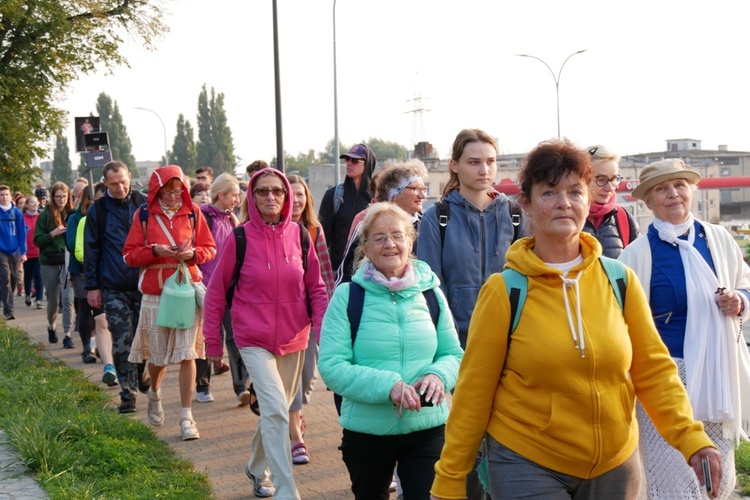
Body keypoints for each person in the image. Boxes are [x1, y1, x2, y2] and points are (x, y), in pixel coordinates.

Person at [430, 140, 721, 500]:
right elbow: (474, 393)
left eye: (575, 191)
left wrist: (691, 438)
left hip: (614, 464)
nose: (564, 203)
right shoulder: (505, 290)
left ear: (588, 199)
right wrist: (450, 478)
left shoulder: (619, 279)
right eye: (549, 193)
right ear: (527, 202)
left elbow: (654, 370)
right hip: (527, 460)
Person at [619, 158, 750, 499]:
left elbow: (745, 283)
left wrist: (739, 301)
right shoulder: (635, 256)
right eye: (662, 188)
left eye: (680, 185)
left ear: (692, 190)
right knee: (672, 474)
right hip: (665, 374)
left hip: (717, 368)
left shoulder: (718, 238)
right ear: (648, 201)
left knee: (717, 475)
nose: (673, 194)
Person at [318, 203, 463, 499]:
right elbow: (332, 366)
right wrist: (389, 387)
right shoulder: (348, 296)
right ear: (366, 248)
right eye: (379, 238)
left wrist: (439, 375)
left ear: (410, 242)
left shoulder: (430, 292)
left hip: (427, 427)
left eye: (397, 235)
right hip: (367, 433)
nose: (390, 244)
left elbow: (454, 354)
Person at [204, 168, 328, 499]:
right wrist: (213, 343)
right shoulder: (239, 238)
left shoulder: (300, 236)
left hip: (295, 339)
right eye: (262, 191)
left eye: (277, 191)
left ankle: (256, 469)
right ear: (252, 197)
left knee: (275, 409)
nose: (270, 197)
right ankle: (287, 490)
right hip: (252, 340)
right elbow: (216, 293)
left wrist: (323, 329)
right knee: (274, 408)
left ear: (287, 197)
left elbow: (315, 287)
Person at [123, 165, 216, 441]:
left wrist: (192, 254)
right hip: (156, 291)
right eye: (168, 191)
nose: (175, 195)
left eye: (179, 190)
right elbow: (128, 256)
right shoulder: (143, 215)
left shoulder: (194, 213)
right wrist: (154, 251)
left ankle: (187, 416)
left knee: (188, 353)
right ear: (157, 190)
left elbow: (210, 249)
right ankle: (154, 393)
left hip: (186, 288)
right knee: (159, 355)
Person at [85, 161, 149, 414]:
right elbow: (91, 249)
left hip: (145, 284)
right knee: (122, 339)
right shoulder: (98, 210)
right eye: (114, 184)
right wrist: (92, 286)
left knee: (144, 339)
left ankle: (142, 371)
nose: (121, 187)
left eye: (124, 181)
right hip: (113, 286)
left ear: (130, 177)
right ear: (105, 183)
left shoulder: (143, 203)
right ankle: (127, 393)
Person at [286, 173, 335, 464]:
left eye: (301, 194)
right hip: (281, 315)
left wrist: (327, 313)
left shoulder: (315, 230)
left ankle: (296, 409)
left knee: (307, 377)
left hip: (310, 313)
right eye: (291, 194)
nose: (296, 200)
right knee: (289, 375)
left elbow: (326, 274)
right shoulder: (270, 229)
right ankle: (296, 437)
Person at [335, 159, 428, 286]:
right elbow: (346, 273)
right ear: (394, 193)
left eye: (424, 189)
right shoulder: (368, 222)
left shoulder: (428, 224)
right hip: (372, 299)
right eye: (415, 189)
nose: (422, 195)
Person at [194, 173, 240, 404]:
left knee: (235, 336)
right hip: (205, 287)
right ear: (221, 195)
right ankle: (202, 385)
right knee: (206, 337)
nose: (236, 200)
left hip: (230, 288)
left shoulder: (232, 219)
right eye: (233, 195)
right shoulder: (203, 217)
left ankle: (241, 387)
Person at [74, 184, 117, 385]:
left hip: (121, 279)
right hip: (98, 279)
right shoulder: (86, 221)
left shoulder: (124, 216)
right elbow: (80, 251)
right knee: (101, 322)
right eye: (99, 200)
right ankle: (109, 367)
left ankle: (125, 364)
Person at [318, 143, 376, 275]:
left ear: (367, 164)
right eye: (347, 160)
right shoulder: (333, 196)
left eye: (355, 160)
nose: (349, 164)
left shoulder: (378, 198)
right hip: (338, 271)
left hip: (370, 271)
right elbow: (321, 239)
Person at [582, 145, 638, 258]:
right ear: (582, 179)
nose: (609, 188)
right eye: (601, 180)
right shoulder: (566, 218)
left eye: (614, 179)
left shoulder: (624, 218)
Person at [34, 182, 72, 345]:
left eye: (64, 196)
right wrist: (53, 233)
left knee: (68, 299)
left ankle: (68, 334)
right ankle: (51, 325)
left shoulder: (73, 213)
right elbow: (37, 240)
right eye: (58, 196)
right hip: (49, 260)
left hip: (68, 260)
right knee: (53, 299)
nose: (61, 200)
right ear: (52, 197)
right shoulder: (46, 215)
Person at [0, 185, 27, 320]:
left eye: (6, 194)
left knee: (15, 277)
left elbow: (22, 232)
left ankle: (7, 296)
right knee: (5, 277)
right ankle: (8, 309)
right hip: (1, 251)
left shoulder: (16, 212)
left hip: (15, 249)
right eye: (1, 195)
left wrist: (23, 251)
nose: (4, 197)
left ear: (10, 196)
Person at [22, 196, 44, 310]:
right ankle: (27, 294)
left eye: (36, 203)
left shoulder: (41, 218)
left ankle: (39, 299)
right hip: (26, 252)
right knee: (28, 276)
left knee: (38, 275)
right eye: (32, 203)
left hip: (38, 252)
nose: (35, 205)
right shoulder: (22, 218)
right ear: (27, 205)